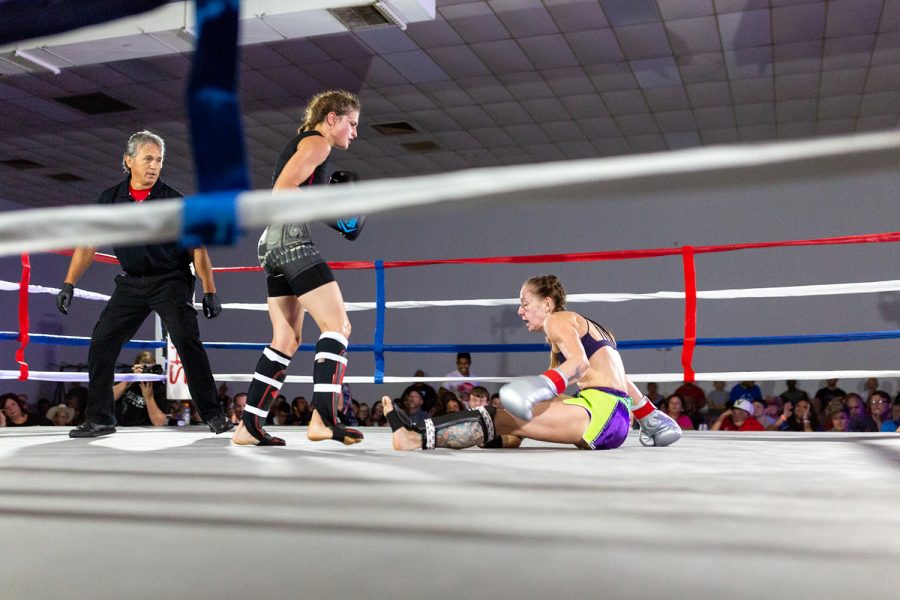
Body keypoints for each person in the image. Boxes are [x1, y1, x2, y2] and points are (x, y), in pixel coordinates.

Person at [57, 130, 231, 438]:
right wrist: (69, 283)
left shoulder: (175, 202)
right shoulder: (110, 200)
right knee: (101, 343)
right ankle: (100, 418)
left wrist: (210, 289)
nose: (154, 165)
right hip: (131, 284)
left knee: (187, 343)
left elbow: (197, 250)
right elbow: (87, 245)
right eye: (148, 158)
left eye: (159, 160)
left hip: (171, 280)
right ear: (128, 160)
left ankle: (214, 415)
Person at [383, 275, 681, 451]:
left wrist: (540, 386)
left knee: (497, 413)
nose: (520, 311)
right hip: (614, 416)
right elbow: (620, 380)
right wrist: (650, 416)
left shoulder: (559, 320)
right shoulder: (595, 330)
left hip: (599, 414)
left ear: (547, 304)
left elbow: (577, 364)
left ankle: (414, 436)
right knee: (509, 424)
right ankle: (502, 436)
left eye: (526, 303)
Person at [231, 90, 364, 447]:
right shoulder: (318, 143)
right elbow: (282, 190)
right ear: (332, 118)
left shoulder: (305, 144)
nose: (354, 132)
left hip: (272, 244)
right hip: (290, 241)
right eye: (351, 124)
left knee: (286, 339)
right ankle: (324, 418)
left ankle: (248, 426)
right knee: (338, 325)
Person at [112, 351, 169, 427]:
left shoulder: (158, 385)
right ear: (136, 367)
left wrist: (149, 398)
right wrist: (130, 379)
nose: (147, 372)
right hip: (119, 425)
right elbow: (109, 398)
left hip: (144, 429)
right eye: (144, 368)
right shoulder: (127, 375)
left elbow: (159, 422)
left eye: (150, 368)